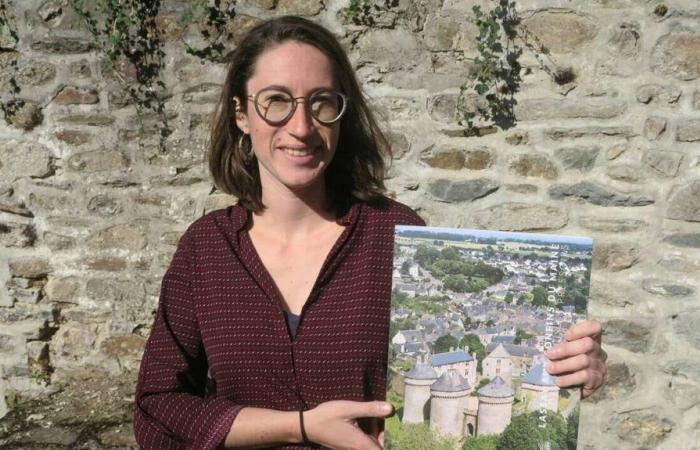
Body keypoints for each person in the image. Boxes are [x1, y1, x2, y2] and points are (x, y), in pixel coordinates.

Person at [133, 16, 607, 450]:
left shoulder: (396, 236)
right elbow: (158, 403)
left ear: (342, 114)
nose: (301, 127)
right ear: (241, 114)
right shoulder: (206, 249)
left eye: (322, 103)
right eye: (276, 101)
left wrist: (565, 370)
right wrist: (299, 426)